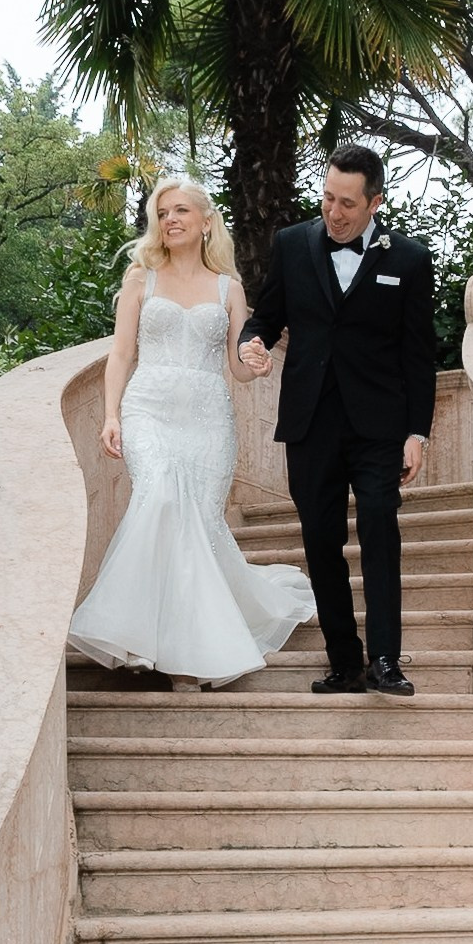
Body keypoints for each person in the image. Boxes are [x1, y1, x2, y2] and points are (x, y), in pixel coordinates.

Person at [70, 177, 314, 691]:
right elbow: (121, 354)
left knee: (197, 524)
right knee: (159, 501)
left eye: (181, 210)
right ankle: (154, 644)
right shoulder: (141, 279)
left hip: (208, 420)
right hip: (148, 410)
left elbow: (238, 366)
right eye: (162, 213)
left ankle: (188, 650)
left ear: (206, 221)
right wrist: (111, 415)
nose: (170, 220)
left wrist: (256, 362)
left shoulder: (229, 289)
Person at [237, 146, 436, 697]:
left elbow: (419, 356)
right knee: (321, 542)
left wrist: (417, 432)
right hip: (310, 423)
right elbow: (264, 317)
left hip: (379, 427)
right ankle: (345, 663)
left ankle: (386, 661)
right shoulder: (292, 244)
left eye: (348, 203)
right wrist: (252, 343)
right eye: (328, 198)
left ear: (375, 202)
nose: (334, 212)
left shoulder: (410, 260)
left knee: (379, 529)